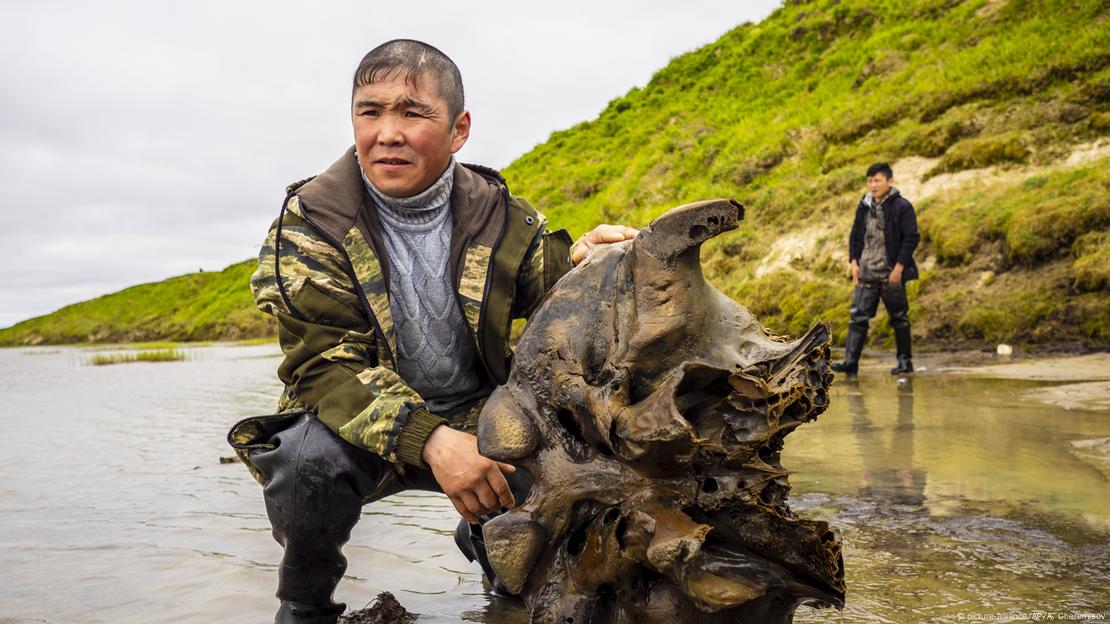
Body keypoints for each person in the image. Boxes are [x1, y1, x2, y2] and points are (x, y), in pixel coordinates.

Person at [227, 39, 637, 624]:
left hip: (481, 419)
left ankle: (502, 577)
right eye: (370, 112)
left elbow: (557, 300)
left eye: (412, 112)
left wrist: (591, 263)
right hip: (352, 424)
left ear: (459, 128)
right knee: (304, 465)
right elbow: (324, 368)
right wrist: (432, 440)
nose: (387, 132)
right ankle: (304, 607)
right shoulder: (312, 222)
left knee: (558, 498)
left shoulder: (503, 217)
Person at [831, 162, 920, 376]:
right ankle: (850, 361)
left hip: (891, 273)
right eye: (870, 180)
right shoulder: (864, 205)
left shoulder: (902, 206)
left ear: (889, 181)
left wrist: (899, 268)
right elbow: (855, 235)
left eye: (877, 180)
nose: (873, 185)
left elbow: (911, 238)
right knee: (857, 318)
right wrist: (853, 262)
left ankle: (905, 362)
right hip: (866, 273)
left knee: (899, 318)